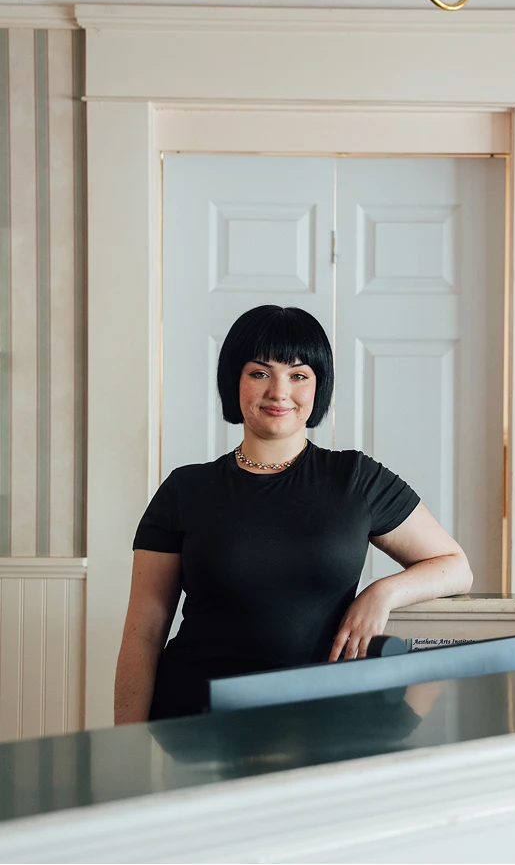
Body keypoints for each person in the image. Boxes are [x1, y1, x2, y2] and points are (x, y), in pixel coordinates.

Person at [114, 305, 473, 724]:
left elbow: (455, 566)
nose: (279, 392)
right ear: (235, 381)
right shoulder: (184, 489)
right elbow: (143, 634)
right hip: (198, 719)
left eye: (299, 375)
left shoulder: (356, 478)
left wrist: (382, 593)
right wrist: (130, 742)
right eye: (260, 373)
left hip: (325, 718)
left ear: (318, 386)